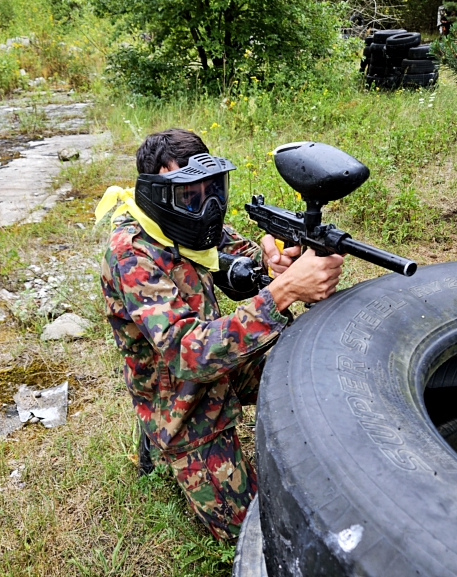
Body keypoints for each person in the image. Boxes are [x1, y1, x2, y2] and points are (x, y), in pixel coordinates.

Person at [97, 128, 344, 540]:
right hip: (181, 397)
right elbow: (188, 354)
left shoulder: (186, 219)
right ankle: (159, 436)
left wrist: (269, 259)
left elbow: (229, 251)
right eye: (191, 194)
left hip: (224, 363)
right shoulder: (132, 255)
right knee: (258, 530)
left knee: (309, 364)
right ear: (159, 195)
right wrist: (281, 293)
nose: (207, 205)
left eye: (212, 189)